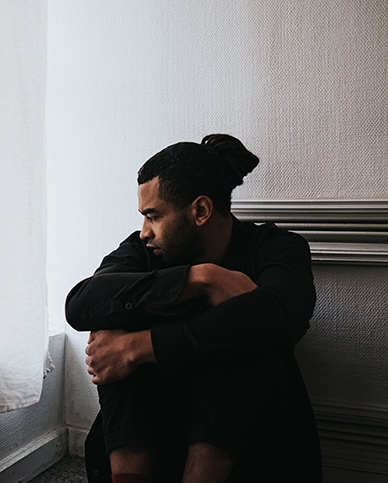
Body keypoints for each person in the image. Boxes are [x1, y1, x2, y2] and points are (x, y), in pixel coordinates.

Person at [65, 134, 322, 483]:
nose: (144, 232)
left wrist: (139, 347)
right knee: (110, 328)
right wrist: (202, 278)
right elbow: (81, 304)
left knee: (248, 333)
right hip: (159, 426)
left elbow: (283, 318)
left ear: (200, 211)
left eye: (153, 216)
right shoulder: (144, 250)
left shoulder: (276, 248)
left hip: (246, 442)